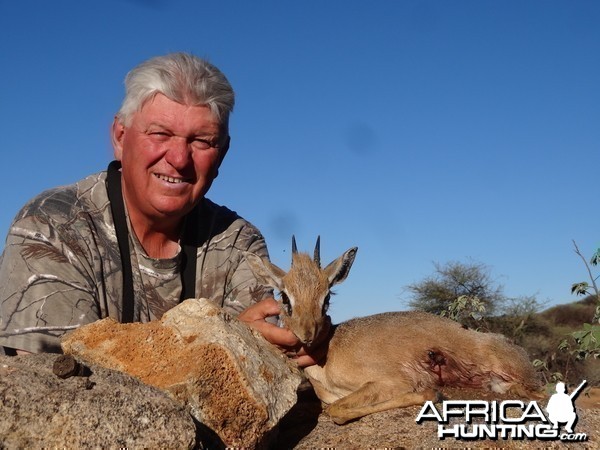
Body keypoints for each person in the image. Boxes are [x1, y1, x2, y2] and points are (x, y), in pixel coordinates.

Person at [0, 52, 317, 366]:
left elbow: (259, 370)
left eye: (203, 141)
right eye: (160, 134)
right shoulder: (51, 228)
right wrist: (227, 343)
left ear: (222, 154)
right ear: (120, 137)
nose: (179, 159)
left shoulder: (238, 244)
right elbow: (58, 384)